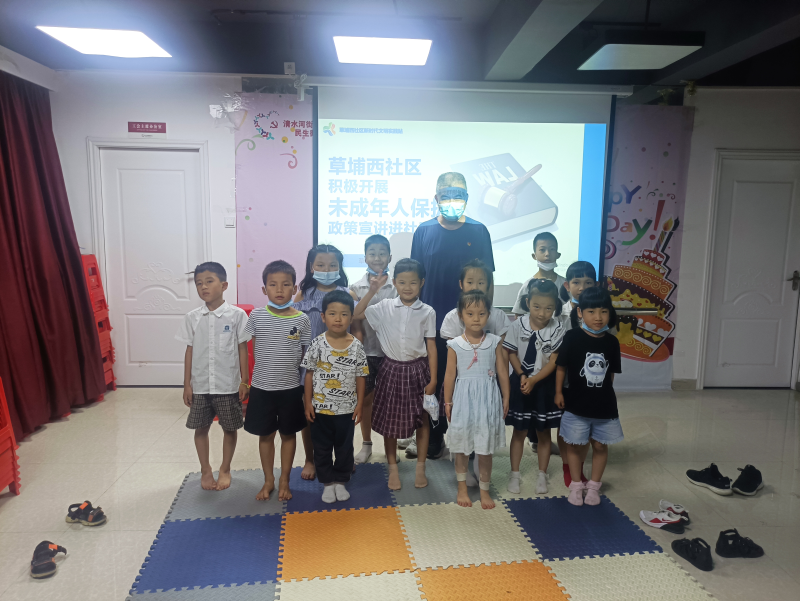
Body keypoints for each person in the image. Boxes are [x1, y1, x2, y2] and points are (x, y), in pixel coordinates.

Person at [410, 172, 495, 460]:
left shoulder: (479, 230)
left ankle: (468, 443)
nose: (451, 201)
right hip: (433, 324)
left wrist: (485, 318)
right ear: (436, 198)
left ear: (467, 198)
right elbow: (415, 278)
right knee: (434, 383)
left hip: (471, 324)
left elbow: (488, 279)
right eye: (445, 195)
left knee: (467, 384)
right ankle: (435, 441)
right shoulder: (423, 231)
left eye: (457, 195)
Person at [353, 258, 437, 491]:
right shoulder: (384, 307)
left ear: (422, 283)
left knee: (421, 419)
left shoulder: (427, 311)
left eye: (413, 282)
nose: (407, 287)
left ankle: (420, 468)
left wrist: (434, 379)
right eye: (402, 282)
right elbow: (356, 314)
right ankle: (392, 468)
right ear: (394, 282)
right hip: (390, 368)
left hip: (418, 369)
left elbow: (431, 347)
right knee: (390, 421)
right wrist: (372, 290)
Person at [176, 262, 251, 491]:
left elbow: (243, 349)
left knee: (229, 428)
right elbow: (189, 351)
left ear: (224, 285)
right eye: (199, 283)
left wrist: (244, 380)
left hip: (227, 385)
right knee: (200, 428)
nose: (204, 287)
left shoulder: (237, 316)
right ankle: (205, 469)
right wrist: (187, 384)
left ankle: (225, 468)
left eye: (209, 281)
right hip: (200, 385)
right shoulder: (192, 317)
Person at [244, 260, 311, 502]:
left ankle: (284, 479)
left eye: (286, 284)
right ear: (264, 289)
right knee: (265, 436)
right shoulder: (256, 316)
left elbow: (305, 356)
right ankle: (268, 479)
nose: (279, 289)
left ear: (295, 288)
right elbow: (249, 349)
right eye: (273, 284)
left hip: (290, 389)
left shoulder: (302, 319)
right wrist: (244, 381)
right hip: (262, 388)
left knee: (288, 435)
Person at [555, 286, 623, 506]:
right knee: (575, 444)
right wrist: (558, 392)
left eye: (603, 311)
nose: (598, 317)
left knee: (601, 445)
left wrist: (603, 396)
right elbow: (561, 367)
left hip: (604, 405)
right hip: (575, 403)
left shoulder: (612, 342)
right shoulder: (571, 337)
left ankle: (594, 487)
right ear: (580, 312)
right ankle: (576, 485)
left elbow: (610, 374)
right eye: (591, 311)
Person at [444, 290, 509, 510]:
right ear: (461, 315)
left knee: (485, 448)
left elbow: (502, 371)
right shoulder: (454, 344)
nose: (476, 318)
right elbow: (450, 375)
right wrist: (447, 402)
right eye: (470, 314)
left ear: (488, 315)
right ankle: (462, 487)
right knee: (462, 447)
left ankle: (484, 489)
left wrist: (506, 396)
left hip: (487, 400)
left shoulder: (494, 341)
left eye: (481, 314)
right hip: (463, 400)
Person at [301, 290, 368, 504]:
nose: (338, 319)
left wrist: (359, 404)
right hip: (320, 409)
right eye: (332, 314)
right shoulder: (317, 343)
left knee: (344, 448)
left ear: (351, 317)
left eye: (344, 314)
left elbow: (361, 376)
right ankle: (328, 483)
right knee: (321, 448)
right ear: (323, 317)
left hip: (346, 410)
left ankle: (340, 481)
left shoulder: (356, 346)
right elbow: (309, 374)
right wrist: (307, 403)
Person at [504, 279, 569, 495]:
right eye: (537, 307)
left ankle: (542, 474)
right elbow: (512, 353)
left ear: (556, 306)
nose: (542, 313)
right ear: (527, 303)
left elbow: (554, 361)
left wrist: (534, 380)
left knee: (543, 432)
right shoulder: (517, 325)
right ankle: (515, 474)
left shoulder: (558, 328)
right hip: (520, 382)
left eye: (549, 308)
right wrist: (523, 376)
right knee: (519, 431)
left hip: (544, 385)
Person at [294, 244, 350, 480]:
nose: (327, 270)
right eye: (321, 265)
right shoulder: (303, 295)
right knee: (311, 416)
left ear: (340, 267)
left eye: (332, 265)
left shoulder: (347, 294)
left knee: (341, 418)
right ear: (311, 267)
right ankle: (311, 459)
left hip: (340, 367)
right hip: (310, 368)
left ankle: (343, 459)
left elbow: (356, 329)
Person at [349, 234, 397, 464]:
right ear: (365, 257)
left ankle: (390, 448)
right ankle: (367, 444)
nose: (377, 258)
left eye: (382, 253)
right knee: (366, 400)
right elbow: (354, 317)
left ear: (390, 257)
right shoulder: (355, 287)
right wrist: (371, 290)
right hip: (366, 352)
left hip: (391, 353)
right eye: (372, 253)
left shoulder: (397, 286)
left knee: (389, 402)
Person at [512, 232, 566, 315]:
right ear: (534, 256)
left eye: (552, 249)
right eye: (542, 250)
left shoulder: (566, 285)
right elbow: (518, 315)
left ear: (558, 255)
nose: (547, 254)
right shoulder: (527, 286)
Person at [561, 261, 598, 329]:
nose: (582, 288)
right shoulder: (560, 313)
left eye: (588, 283)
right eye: (576, 282)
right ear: (567, 286)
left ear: (596, 286)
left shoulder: (602, 313)